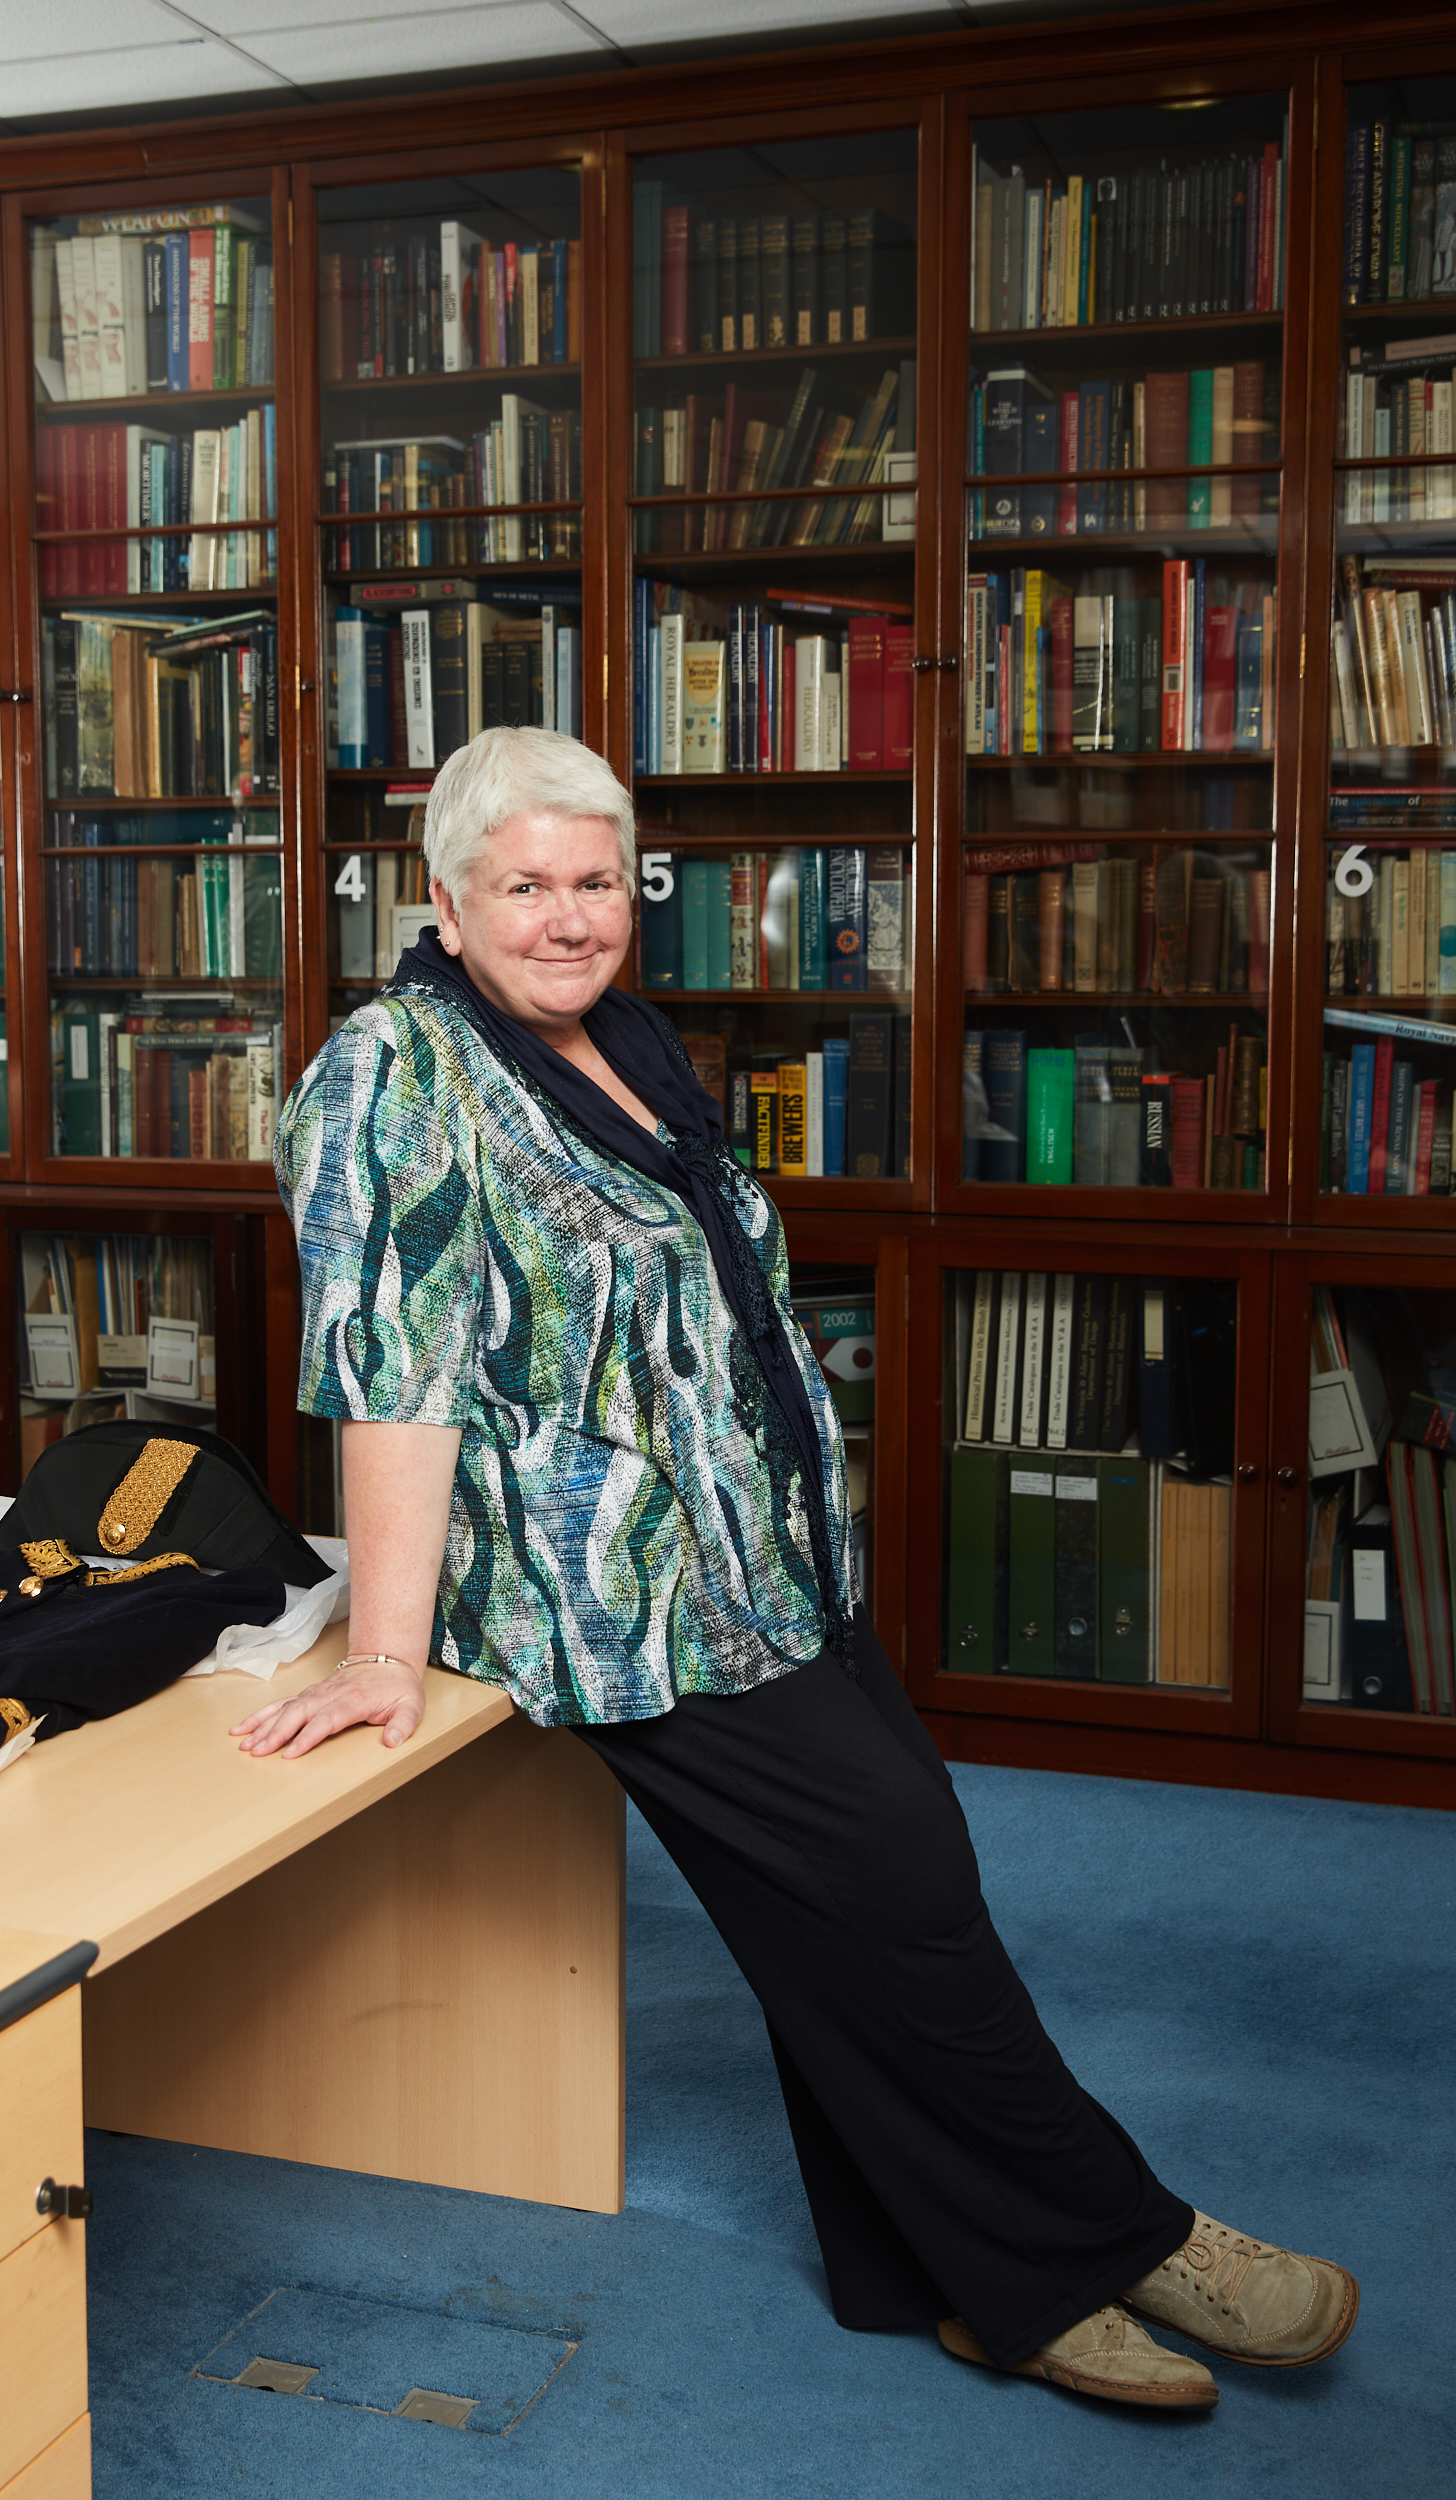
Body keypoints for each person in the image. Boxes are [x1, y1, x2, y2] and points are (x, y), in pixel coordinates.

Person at [238, 725, 1358, 2412]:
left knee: (880, 1890)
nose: (565, 917)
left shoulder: (620, 1038)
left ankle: (938, 2273)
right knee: (896, 1875)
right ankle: (1115, 2240)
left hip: (766, 1557)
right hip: (608, 1587)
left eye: (596, 882)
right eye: (523, 886)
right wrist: (386, 1649)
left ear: (636, 893)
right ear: (447, 904)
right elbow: (397, 1376)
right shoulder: (393, 1072)